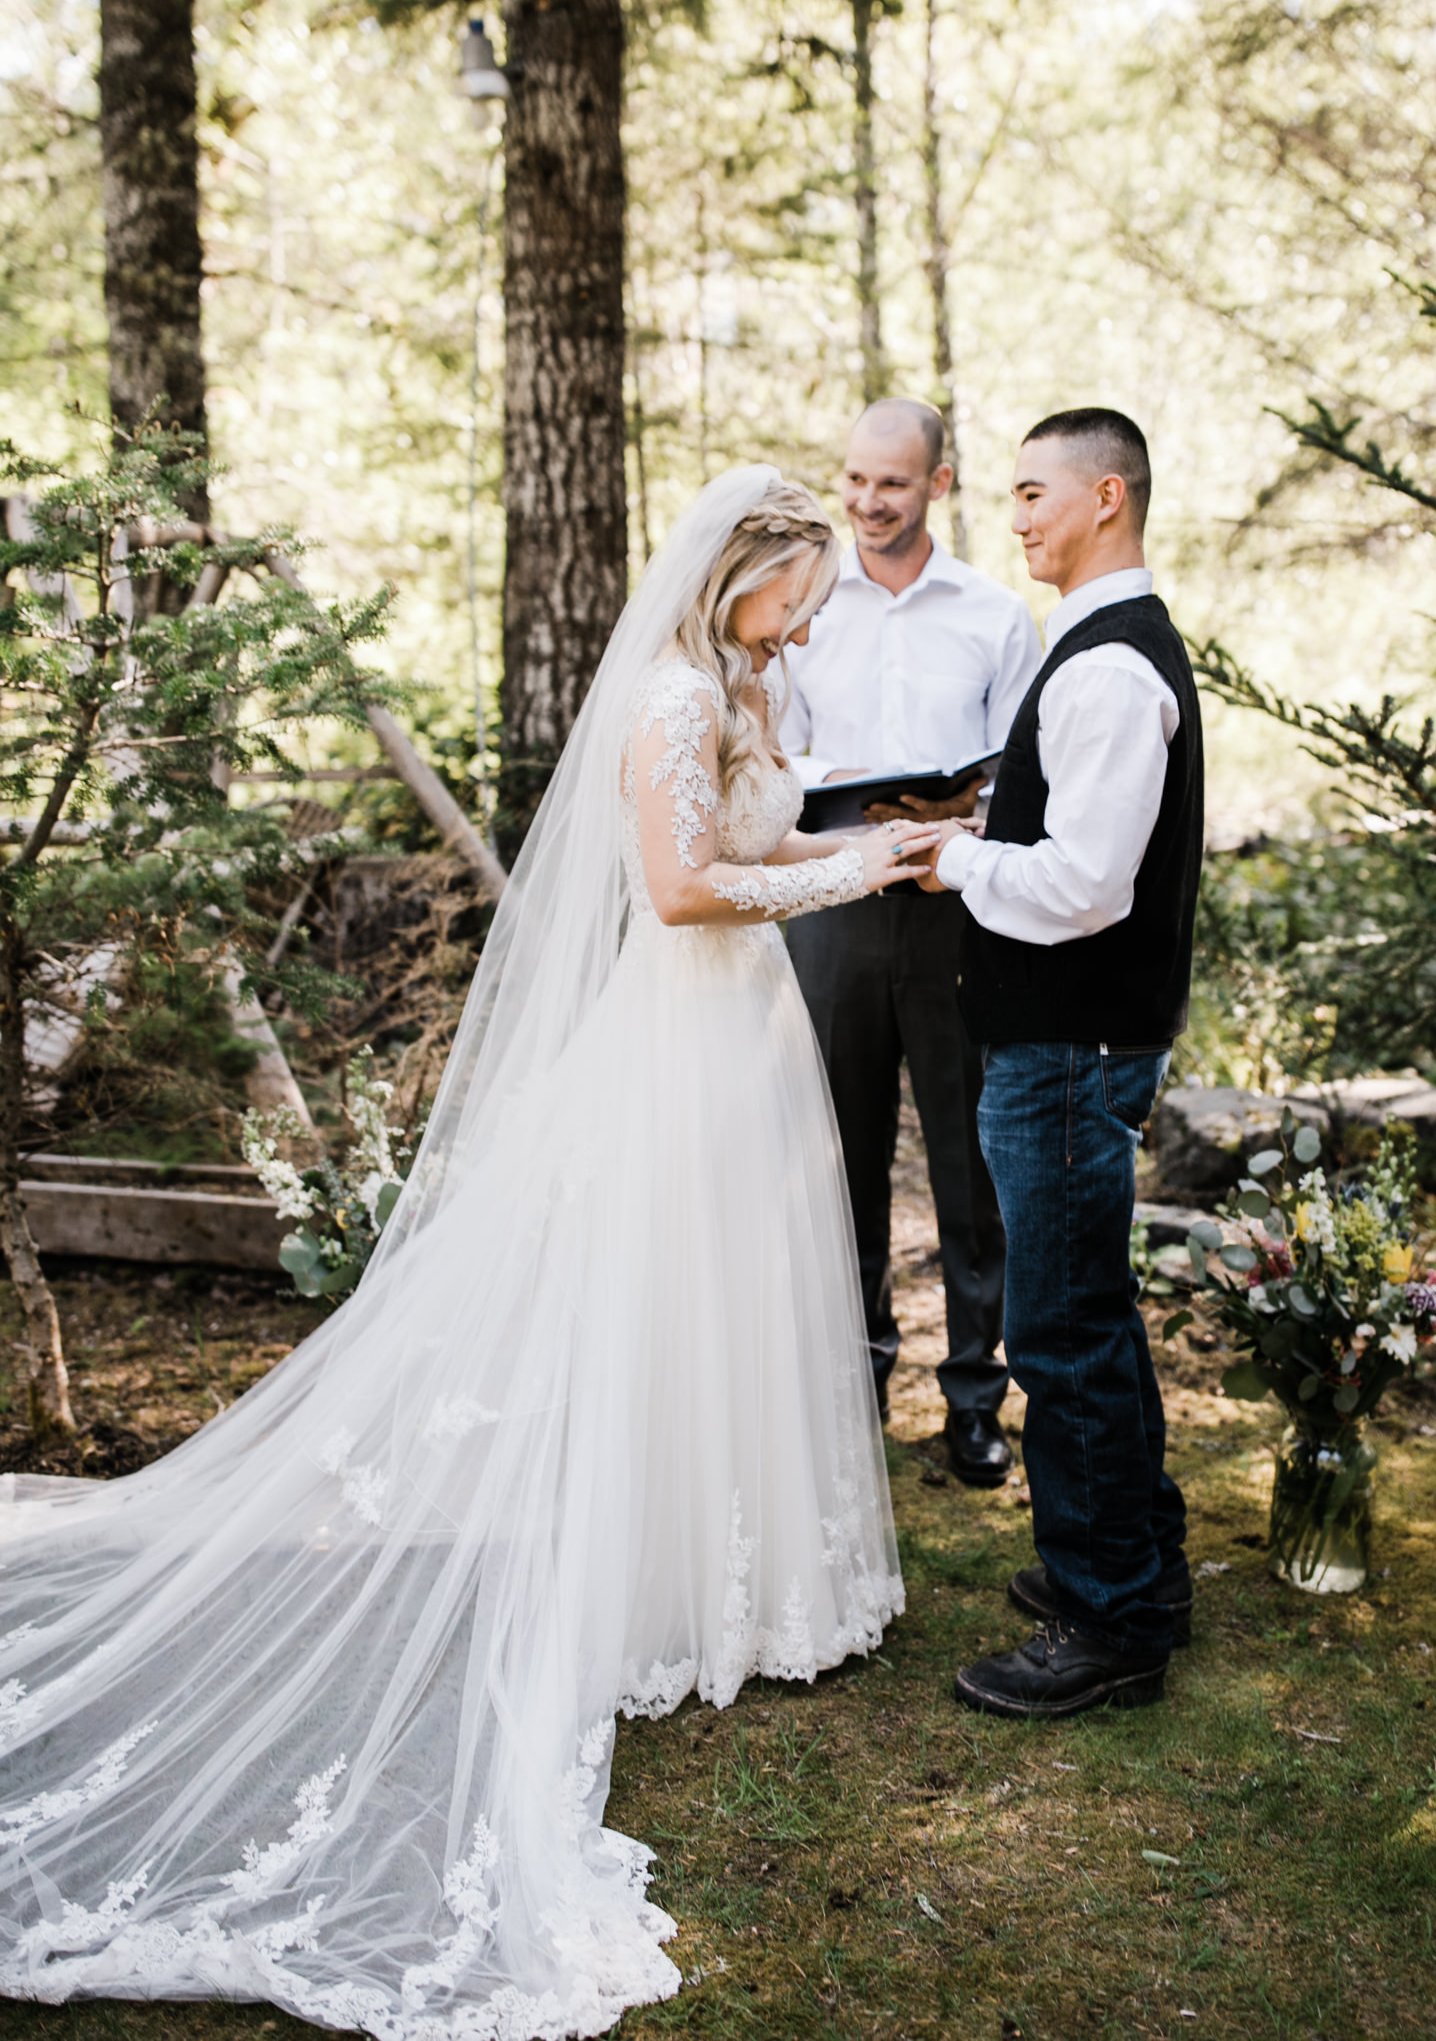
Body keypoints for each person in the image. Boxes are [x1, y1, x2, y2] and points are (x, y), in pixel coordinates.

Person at [0, 470, 936, 2038]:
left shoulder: (751, 681)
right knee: (669, 1295)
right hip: (682, 1040)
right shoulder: (667, 691)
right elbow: (678, 887)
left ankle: (751, 1579)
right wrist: (857, 869)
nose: (816, 609)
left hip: (752, 1038)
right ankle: (643, 1584)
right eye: (803, 584)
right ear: (742, 571)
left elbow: (757, 825)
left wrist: (867, 823)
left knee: (749, 1299)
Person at [924, 408, 1203, 1718]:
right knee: (1088, 1308)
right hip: (1064, 1039)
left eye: (1034, 494)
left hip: (1070, 1043)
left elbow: (1085, 885)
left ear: (1105, 498)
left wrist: (953, 857)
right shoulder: (1089, 648)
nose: (1017, 516)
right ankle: (1136, 1569)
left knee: (1062, 1326)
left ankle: (1105, 1625)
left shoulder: (1105, 667)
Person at [779, 398, 1040, 1485]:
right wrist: (841, 794)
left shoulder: (994, 615)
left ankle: (975, 1399)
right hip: (832, 904)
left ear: (937, 484)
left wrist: (964, 815)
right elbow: (770, 755)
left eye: (889, 483)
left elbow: (1028, 774)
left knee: (968, 1167)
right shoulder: (802, 608)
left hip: (956, 912)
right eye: (852, 480)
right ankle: (855, 1384)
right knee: (833, 1158)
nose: (865, 502)